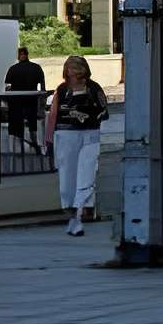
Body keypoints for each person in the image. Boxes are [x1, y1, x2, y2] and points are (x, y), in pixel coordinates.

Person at [44, 53, 110, 236]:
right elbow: (53, 115)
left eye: (76, 68)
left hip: (89, 133)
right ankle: (70, 205)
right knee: (68, 171)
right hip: (66, 133)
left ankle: (86, 205)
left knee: (88, 170)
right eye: (70, 68)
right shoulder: (62, 89)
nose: (73, 71)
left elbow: (104, 110)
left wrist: (90, 117)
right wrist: (49, 140)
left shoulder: (94, 88)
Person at [2, 48, 46, 142]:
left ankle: (18, 147)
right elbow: (43, 86)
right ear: (27, 54)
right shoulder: (36, 67)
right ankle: (36, 146)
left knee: (16, 128)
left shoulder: (13, 69)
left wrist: (7, 100)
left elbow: (7, 87)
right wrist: (42, 101)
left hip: (16, 103)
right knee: (33, 126)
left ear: (19, 56)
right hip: (32, 101)